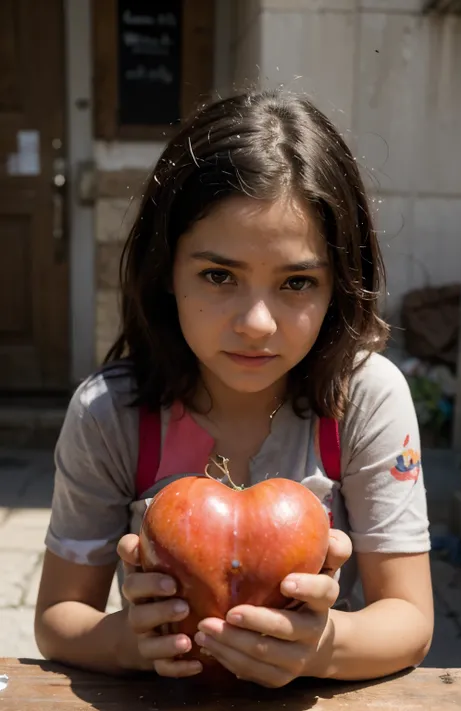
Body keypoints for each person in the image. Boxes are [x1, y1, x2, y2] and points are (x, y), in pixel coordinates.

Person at [35, 89, 433, 688]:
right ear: (166, 269)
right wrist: (128, 642)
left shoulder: (364, 399)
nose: (256, 323)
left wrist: (321, 648)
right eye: (218, 276)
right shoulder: (110, 413)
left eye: (296, 282)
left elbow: (409, 619)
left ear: (340, 287)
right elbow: (59, 619)